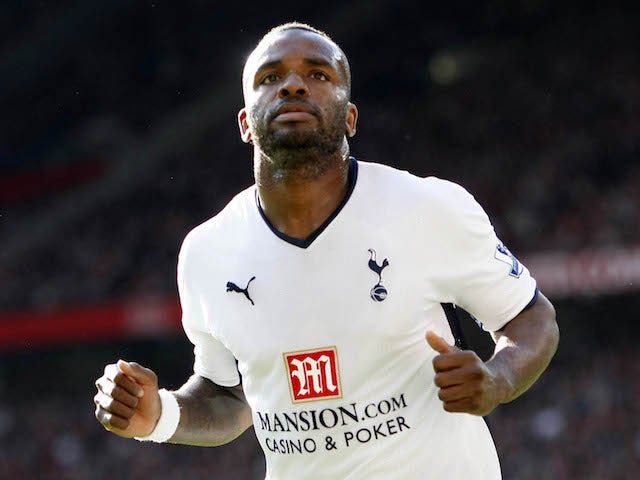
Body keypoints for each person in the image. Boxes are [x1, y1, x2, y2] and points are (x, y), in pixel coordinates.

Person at [94, 22, 559, 479]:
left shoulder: (429, 207)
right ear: (244, 123)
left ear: (351, 117)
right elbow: (229, 396)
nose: (293, 85)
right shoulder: (207, 253)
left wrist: (498, 379)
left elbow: (532, 318)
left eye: (318, 74)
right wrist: (157, 415)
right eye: (270, 78)